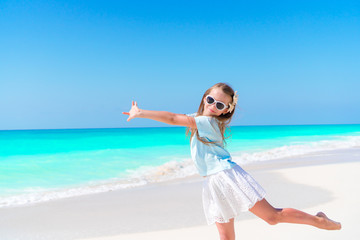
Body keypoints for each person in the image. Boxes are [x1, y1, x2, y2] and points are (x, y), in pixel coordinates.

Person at [122, 82, 341, 240]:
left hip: (226, 176)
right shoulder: (200, 119)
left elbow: (171, 118)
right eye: (211, 100)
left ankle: (318, 220)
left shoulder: (207, 122)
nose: (213, 106)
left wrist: (140, 112)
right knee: (226, 237)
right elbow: (179, 117)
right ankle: (318, 221)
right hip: (212, 181)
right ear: (204, 98)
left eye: (220, 105)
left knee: (272, 217)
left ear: (226, 110)